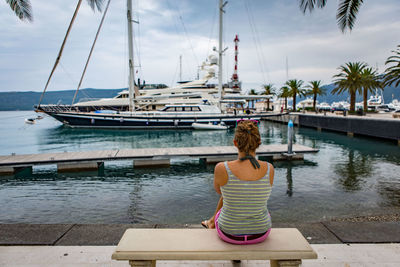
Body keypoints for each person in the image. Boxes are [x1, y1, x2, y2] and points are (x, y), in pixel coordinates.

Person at [201, 120, 274, 244]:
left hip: (229, 234)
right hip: (260, 233)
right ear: (258, 143)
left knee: (228, 193)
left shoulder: (222, 168)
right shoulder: (269, 168)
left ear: (235, 143)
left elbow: (219, 191)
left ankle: (212, 222)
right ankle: (212, 222)